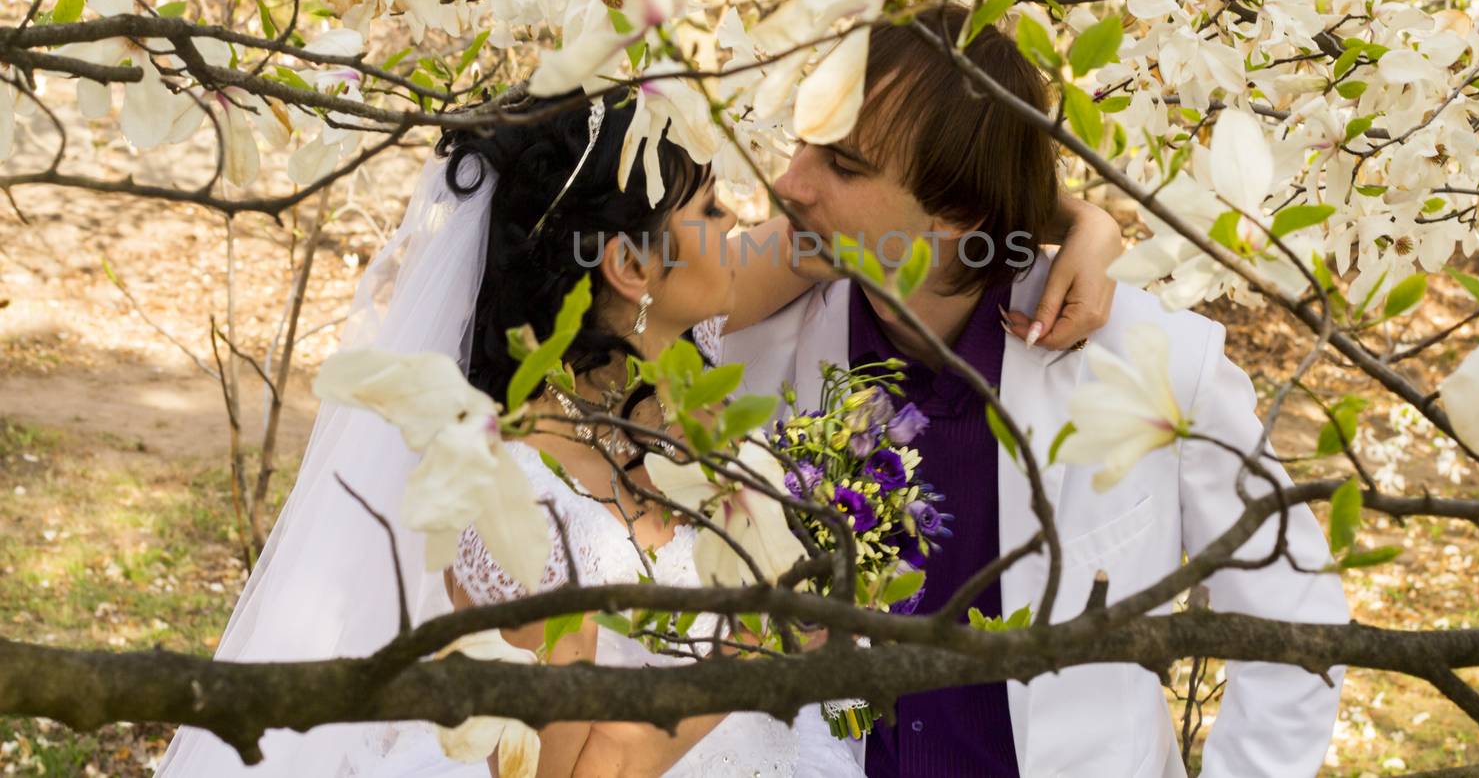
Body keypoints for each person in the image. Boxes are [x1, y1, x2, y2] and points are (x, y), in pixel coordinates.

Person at [154, 62, 1124, 775]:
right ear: (628, 265)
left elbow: (907, 207)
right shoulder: (517, 499)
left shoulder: (681, 359)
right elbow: (568, 769)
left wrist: (1076, 221)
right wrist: (759, 651)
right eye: (710, 207)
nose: (750, 223)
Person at [722, 1, 1351, 778]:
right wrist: (1078, 211)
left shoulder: (1153, 362)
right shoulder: (759, 347)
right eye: (803, 143)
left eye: (844, 165)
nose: (789, 183)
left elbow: (1293, 623)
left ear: (959, 211)